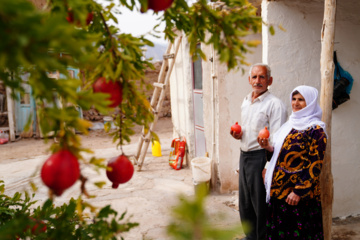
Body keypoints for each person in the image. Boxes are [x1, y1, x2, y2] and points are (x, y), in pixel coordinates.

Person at [259, 85, 327, 240]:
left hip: (298, 197)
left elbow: (315, 165)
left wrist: (298, 191)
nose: (296, 103)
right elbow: (278, 155)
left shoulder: (316, 130)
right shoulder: (288, 125)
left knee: (299, 233)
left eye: (301, 100)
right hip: (279, 192)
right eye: (294, 99)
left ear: (310, 102)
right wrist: (269, 148)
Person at [230, 63, 288, 240]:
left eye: (262, 77)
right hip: (245, 156)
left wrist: (269, 166)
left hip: (261, 158)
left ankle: (263, 237)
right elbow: (248, 132)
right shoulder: (246, 101)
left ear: (269, 80)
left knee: (261, 205)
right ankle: (250, 237)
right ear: (249, 80)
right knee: (245, 203)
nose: (258, 81)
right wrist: (238, 135)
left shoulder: (275, 105)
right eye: (254, 77)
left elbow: (278, 140)